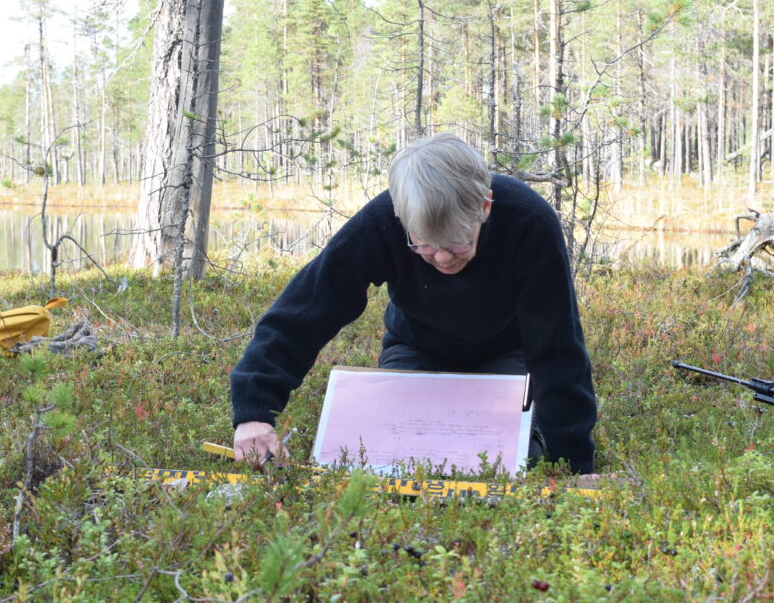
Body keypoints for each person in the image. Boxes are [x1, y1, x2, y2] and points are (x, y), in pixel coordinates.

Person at [229, 133, 598, 474]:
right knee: (380, 459)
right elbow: (304, 313)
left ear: (485, 207)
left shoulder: (528, 221)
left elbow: (556, 347)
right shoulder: (381, 221)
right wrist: (255, 412)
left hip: (507, 354)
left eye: (456, 243)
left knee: (513, 459)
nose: (441, 259)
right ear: (402, 219)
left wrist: (575, 465)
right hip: (415, 350)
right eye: (423, 244)